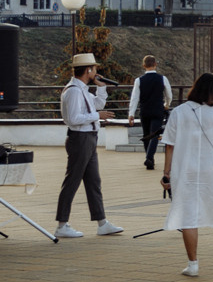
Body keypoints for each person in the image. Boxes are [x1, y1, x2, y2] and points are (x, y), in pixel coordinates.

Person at [159, 72, 213, 275]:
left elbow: (169, 145)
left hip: (186, 171)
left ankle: (193, 265)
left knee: (188, 217)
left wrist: (166, 173)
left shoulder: (179, 112)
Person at [53, 52, 125, 240]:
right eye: (94, 69)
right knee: (72, 181)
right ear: (88, 70)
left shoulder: (82, 89)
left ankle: (102, 223)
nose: (96, 71)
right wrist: (97, 117)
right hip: (80, 139)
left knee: (94, 182)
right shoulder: (74, 91)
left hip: (89, 138)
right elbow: (73, 119)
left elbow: (98, 104)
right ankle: (62, 224)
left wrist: (101, 88)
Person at [129, 56, 173, 170]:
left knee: (146, 135)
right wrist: (167, 104)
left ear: (144, 65)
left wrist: (131, 114)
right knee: (155, 134)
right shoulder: (162, 78)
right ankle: (149, 157)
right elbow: (169, 94)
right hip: (158, 110)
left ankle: (150, 159)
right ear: (155, 64)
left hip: (144, 110)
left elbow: (134, 98)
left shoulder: (139, 80)